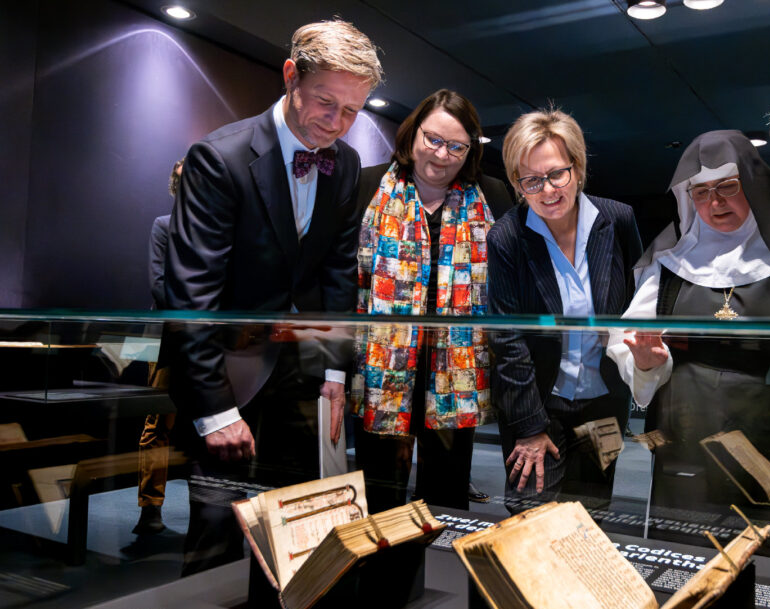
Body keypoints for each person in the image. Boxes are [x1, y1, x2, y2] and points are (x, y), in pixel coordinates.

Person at [164, 20, 381, 575]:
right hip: (227, 372)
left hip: (299, 373)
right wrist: (215, 413)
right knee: (216, 528)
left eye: (353, 110)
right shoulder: (220, 158)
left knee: (300, 523)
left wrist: (335, 376)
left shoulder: (347, 163)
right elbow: (192, 295)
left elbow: (336, 276)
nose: (337, 124)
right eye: (326, 103)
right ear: (291, 76)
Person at [606, 130, 770, 561]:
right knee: (686, 554)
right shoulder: (669, 262)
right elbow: (630, 342)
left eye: (728, 186)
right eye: (702, 191)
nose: (715, 202)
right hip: (684, 433)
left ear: (754, 186)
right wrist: (648, 363)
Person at [352, 89, 512, 511]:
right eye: (434, 140)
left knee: (447, 494)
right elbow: (346, 283)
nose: (442, 155)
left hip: (457, 372)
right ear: (412, 135)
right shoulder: (368, 185)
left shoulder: (493, 196)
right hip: (382, 368)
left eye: (457, 146)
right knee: (380, 498)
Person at [487, 108, 643, 512]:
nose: (548, 190)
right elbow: (508, 339)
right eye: (532, 180)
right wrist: (529, 428)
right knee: (529, 523)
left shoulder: (618, 220)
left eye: (557, 174)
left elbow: (638, 306)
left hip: (606, 404)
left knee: (592, 519)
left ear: (578, 166)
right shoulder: (507, 237)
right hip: (538, 405)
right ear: (517, 183)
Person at [133, 157, 184, 536]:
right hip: (170, 340)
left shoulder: (218, 230)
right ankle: (150, 508)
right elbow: (159, 285)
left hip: (208, 344)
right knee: (157, 423)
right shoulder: (163, 227)